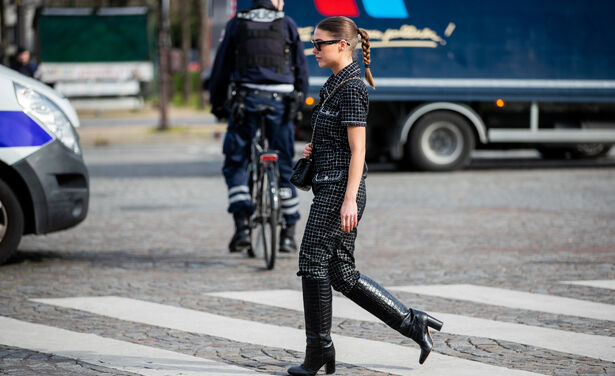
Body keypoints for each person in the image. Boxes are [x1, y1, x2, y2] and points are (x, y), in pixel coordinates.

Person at [287, 17, 443, 376]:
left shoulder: (352, 88)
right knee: (340, 273)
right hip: (329, 182)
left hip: (341, 190)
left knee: (312, 262)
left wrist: (349, 200)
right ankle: (411, 322)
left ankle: (319, 351)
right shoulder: (334, 85)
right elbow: (341, 141)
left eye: (320, 44)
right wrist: (318, 147)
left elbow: (359, 151)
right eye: (313, 43)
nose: (314, 50)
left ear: (343, 45)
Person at [209, 0, 308, 254]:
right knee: (285, 166)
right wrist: (299, 100)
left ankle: (242, 226)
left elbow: (221, 67)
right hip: (281, 103)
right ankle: (288, 232)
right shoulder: (287, 24)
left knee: (235, 162)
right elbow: (300, 67)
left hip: (246, 100)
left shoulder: (237, 24)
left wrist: (217, 103)